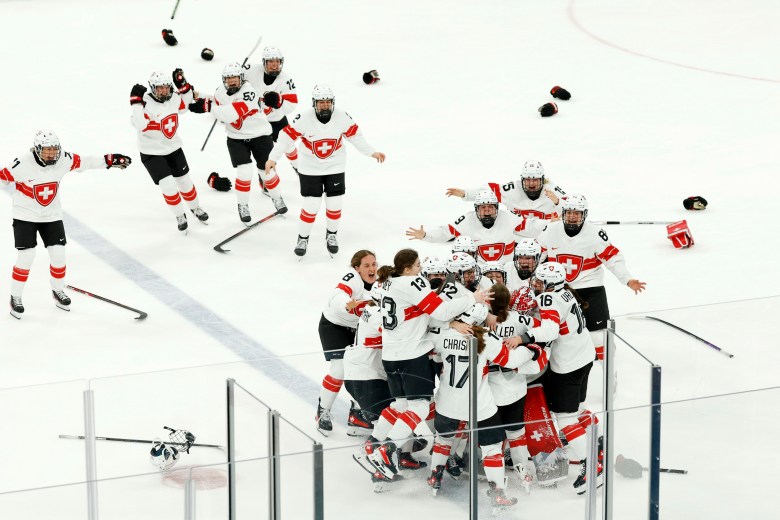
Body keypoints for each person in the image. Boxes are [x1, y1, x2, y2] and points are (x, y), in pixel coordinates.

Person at [364, 249, 489, 481]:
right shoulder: (413, 283)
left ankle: (373, 444)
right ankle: (387, 451)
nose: (421, 268)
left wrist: (451, 323)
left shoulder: (388, 282)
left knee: (400, 406)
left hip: (391, 354)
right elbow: (439, 310)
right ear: (408, 268)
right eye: (419, 264)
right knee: (420, 406)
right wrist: (474, 298)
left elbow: (420, 313)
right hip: (411, 355)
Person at [1, 131, 130, 318]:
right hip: (25, 216)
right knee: (26, 257)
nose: (51, 154)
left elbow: (85, 162)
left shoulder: (64, 159)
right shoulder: (21, 164)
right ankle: (16, 297)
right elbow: (2, 176)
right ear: (37, 150)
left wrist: (108, 160)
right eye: (47, 150)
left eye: (54, 149)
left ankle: (57, 291)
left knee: (59, 255)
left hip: (51, 216)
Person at [426, 303, 541, 511]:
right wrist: (532, 351)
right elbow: (510, 360)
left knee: (443, 439)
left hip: (447, 402)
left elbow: (432, 353)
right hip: (478, 404)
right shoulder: (486, 339)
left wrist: (451, 324)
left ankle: (435, 477)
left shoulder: (443, 334)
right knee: (492, 448)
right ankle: (497, 493)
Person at [505, 262, 600, 493]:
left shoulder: (548, 298)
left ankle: (592, 464)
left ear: (551, 283)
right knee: (577, 410)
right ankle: (598, 443)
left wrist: (523, 337)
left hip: (568, 365)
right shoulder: (566, 291)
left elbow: (550, 330)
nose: (536, 284)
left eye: (540, 281)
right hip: (584, 356)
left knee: (566, 419)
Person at [265, 84, 386, 257]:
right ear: (314, 103)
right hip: (310, 166)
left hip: (335, 164)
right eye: (321, 102)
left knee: (335, 202)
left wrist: (371, 152)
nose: (324, 105)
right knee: (311, 204)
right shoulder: (304, 118)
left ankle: (332, 235)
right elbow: (285, 137)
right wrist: (272, 158)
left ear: (332, 102)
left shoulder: (342, 116)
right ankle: (303, 238)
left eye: (328, 102)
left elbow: (355, 136)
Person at [537, 194, 646, 362]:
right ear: (563, 213)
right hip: (558, 290)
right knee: (558, 335)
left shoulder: (595, 234)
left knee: (599, 338)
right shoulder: (550, 231)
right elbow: (536, 256)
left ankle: (608, 373)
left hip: (590, 289)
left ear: (584, 215)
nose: (572, 217)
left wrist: (628, 279)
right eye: (569, 212)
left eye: (577, 213)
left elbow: (613, 258)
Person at [193, 62, 287, 224]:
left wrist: (209, 107)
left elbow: (230, 114)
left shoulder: (249, 92)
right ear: (224, 80)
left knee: (267, 172)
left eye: (235, 78)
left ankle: (277, 198)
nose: (232, 82)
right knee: (244, 172)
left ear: (242, 78)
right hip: (236, 138)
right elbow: (215, 104)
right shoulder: (220, 92)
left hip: (261, 135)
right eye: (229, 79)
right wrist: (197, 96)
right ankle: (243, 205)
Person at [130, 70, 209, 233]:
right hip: (151, 153)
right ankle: (180, 215)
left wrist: (184, 86)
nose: (164, 91)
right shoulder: (144, 102)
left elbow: (184, 106)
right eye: (160, 88)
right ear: (152, 88)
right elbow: (139, 124)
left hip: (174, 148)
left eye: (167, 87)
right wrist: (135, 103)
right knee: (168, 186)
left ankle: (195, 208)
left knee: (185, 182)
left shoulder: (173, 98)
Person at [486, 283, 547, 491]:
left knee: (492, 436)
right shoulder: (521, 319)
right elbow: (543, 328)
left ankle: (494, 472)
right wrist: (526, 342)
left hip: (490, 390)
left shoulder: (480, 321)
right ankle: (523, 470)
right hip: (515, 386)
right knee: (516, 431)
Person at [316, 250, 378, 436]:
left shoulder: (381, 280)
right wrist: (346, 303)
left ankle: (357, 415)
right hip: (334, 326)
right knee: (340, 370)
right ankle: (322, 411)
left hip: (360, 328)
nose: (372, 268)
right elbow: (337, 295)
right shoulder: (352, 278)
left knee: (363, 370)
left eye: (374, 264)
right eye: (366, 265)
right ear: (356, 268)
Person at [406, 190, 541, 263]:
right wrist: (426, 235)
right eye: (483, 207)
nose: (487, 210)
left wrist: (551, 223)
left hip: (506, 270)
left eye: (490, 207)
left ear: (497, 208)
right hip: (479, 273)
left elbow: (532, 227)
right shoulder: (467, 220)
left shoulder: (508, 217)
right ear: (476, 209)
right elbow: (446, 232)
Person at [243, 46, 299, 193]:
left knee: (289, 145)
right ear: (264, 62)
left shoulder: (286, 79)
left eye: (277, 61)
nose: (274, 64)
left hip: (277, 120)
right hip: (257, 122)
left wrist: (279, 102)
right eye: (271, 61)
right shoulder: (251, 71)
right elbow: (234, 79)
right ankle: (266, 179)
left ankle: (299, 168)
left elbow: (292, 103)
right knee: (264, 154)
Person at [446, 159, 566, 220]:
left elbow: (573, 207)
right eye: (528, 179)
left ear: (542, 179)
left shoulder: (552, 190)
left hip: (543, 237)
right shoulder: (513, 189)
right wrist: (465, 194)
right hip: (516, 237)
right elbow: (489, 190)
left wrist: (558, 202)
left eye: (535, 179)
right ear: (522, 179)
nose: (531, 183)